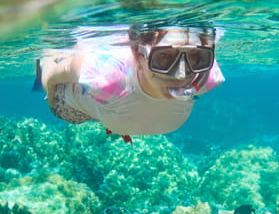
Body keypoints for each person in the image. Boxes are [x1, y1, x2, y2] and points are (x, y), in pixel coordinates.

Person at [37, 24, 224, 143]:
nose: (182, 74)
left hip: (113, 111)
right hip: (74, 108)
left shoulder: (205, 76)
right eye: (164, 58)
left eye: (196, 58)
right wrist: (50, 95)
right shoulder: (106, 78)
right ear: (139, 55)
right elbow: (54, 74)